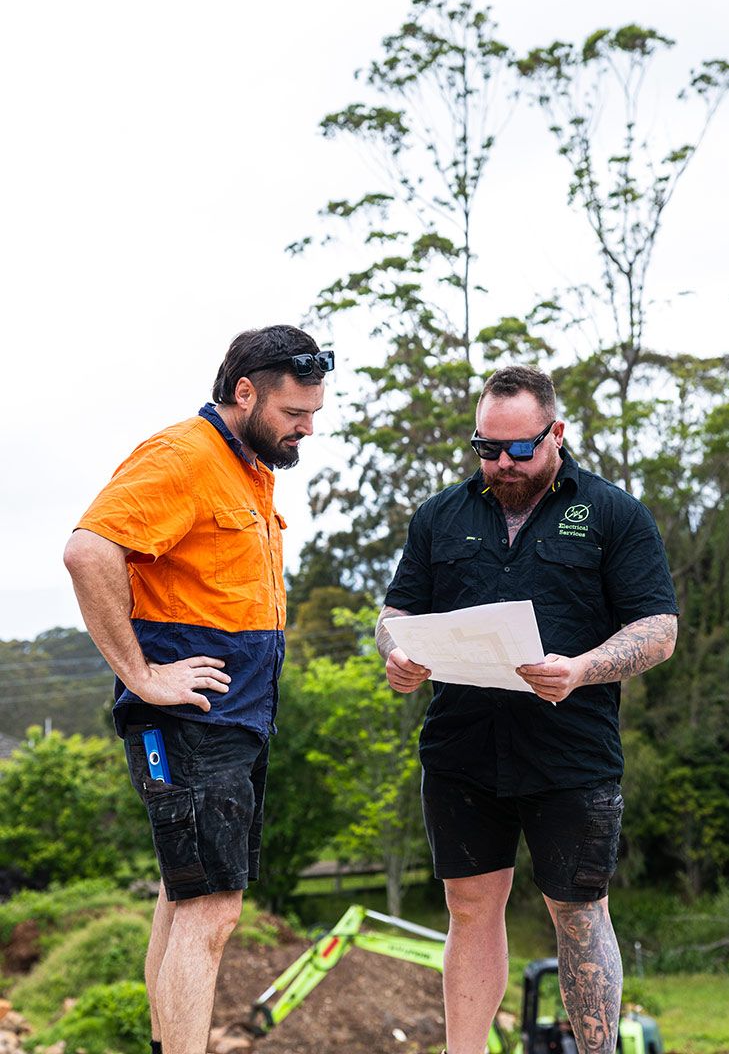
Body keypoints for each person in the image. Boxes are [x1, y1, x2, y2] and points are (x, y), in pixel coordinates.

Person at [376, 365, 678, 1054]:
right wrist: (396, 652)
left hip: (570, 751)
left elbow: (658, 629)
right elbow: (396, 612)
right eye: (489, 449)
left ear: (557, 433)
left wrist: (582, 669)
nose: (505, 464)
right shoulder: (439, 516)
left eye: (520, 448)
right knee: (470, 910)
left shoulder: (613, 514)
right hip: (461, 750)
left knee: (578, 914)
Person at [64, 325, 332, 1054]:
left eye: (314, 412)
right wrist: (142, 676)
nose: (308, 426)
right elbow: (89, 551)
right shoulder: (185, 456)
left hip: (232, 722)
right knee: (211, 914)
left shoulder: (248, 467)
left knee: (184, 902)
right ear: (244, 393)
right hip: (191, 722)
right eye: (294, 413)